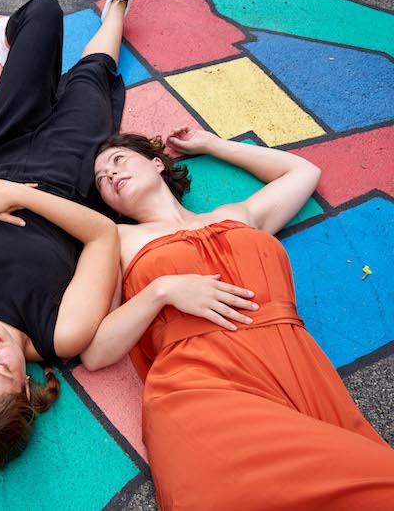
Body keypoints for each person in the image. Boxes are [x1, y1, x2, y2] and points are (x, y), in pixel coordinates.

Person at [81, 128, 394, 509]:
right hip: (199, 386)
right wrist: (161, 290)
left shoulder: (236, 216)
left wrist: (211, 144)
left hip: (295, 370)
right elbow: (96, 352)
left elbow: (303, 172)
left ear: (157, 163)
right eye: (102, 180)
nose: (111, 175)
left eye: (117, 161)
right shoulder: (115, 239)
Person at [0, 0, 136, 483]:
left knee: (43, 11)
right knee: (91, 77)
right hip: (71, 174)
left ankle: (14, 54)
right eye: (0, 371)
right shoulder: (60, 334)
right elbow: (103, 238)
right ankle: (121, 2)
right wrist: (26, 197)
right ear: (25, 390)